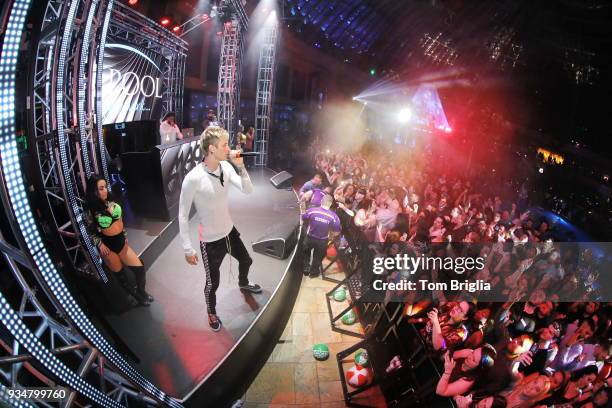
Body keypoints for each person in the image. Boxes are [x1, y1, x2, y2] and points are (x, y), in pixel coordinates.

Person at [178, 126, 262, 332]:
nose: (229, 148)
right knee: (212, 284)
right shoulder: (193, 178)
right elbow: (182, 214)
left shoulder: (226, 167)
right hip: (210, 241)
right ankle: (211, 312)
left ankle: (243, 283)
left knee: (246, 260)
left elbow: (248, 190)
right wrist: (187, 248)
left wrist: (241, 167)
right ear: (212, 149)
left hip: (229, 231)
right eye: (225, 144)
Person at [86, 175, 153, 306]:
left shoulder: (111, 200)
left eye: (105, 187)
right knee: (121, 276)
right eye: (101, 188)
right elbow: (89, 231)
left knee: (139, 268)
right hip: (107, 246)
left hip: (120, 241)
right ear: (94, 191)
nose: (105, 190)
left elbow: (120, 220)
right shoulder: (91, 209)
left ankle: (142, 292)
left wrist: (125, 234)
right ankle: (138, 297)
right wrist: (99, 244)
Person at [301, 194, 340, 277]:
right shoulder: (334, 217)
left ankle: (306, 268)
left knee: (305, 252)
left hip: (310, 237)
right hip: (323, 240)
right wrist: (331, 236)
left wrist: (303, 205)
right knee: (318, 257)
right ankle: (313, 273)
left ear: (321, 201)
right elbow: (336, 232)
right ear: (330, 204)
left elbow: (304, 217)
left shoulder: (312, 210)